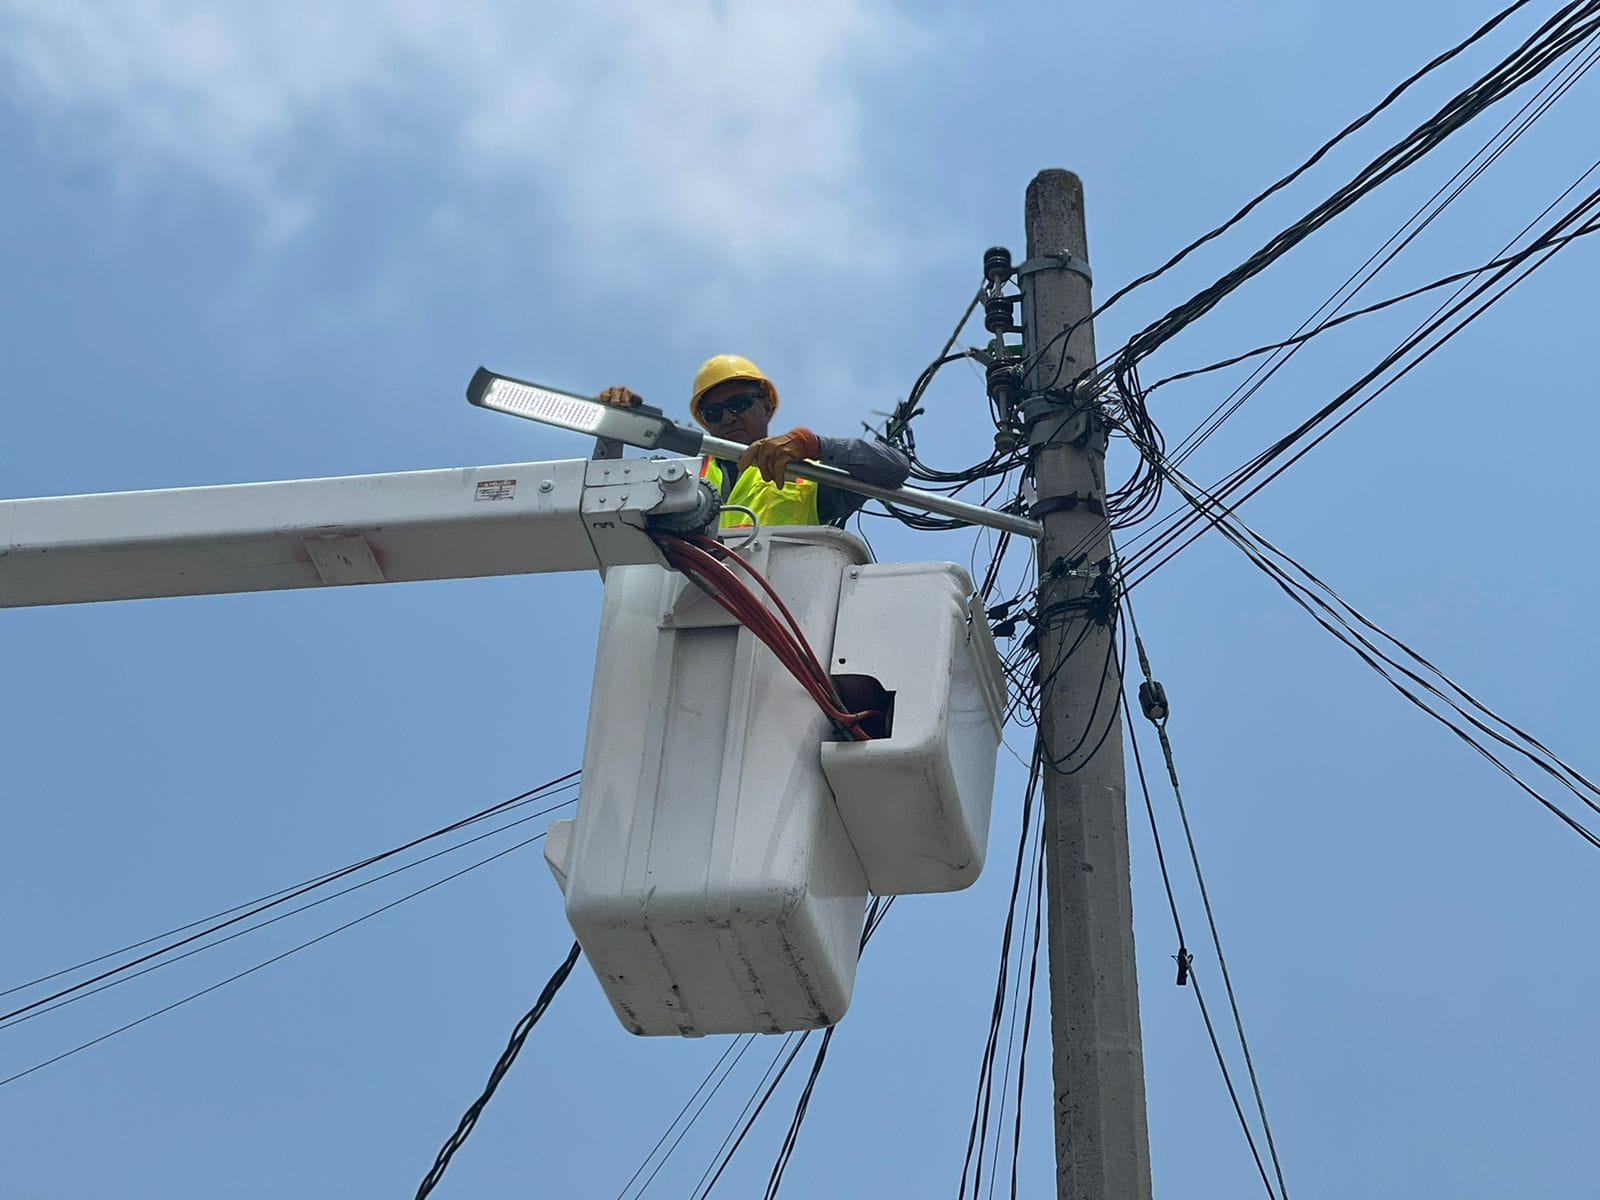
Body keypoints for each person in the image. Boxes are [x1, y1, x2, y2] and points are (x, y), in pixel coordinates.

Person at [599, 354, 910, 529]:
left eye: (739, 404)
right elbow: (607, 506)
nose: (728, 418)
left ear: (767, 407)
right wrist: (613, 430)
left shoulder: (807, 475)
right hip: (689, 609)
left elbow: (894, 468)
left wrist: (815, 445)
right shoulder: (682, 476)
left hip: (780, 609)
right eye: (714, 412)